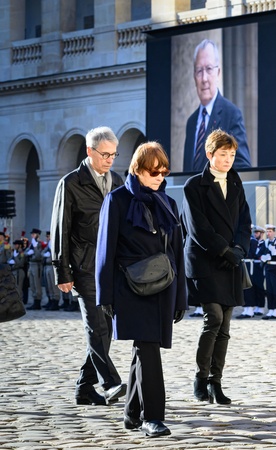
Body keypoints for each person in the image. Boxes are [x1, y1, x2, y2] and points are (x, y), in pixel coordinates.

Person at [96, 141, 187, 437]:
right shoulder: (117, 200)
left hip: (163, 287)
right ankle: (153, 417)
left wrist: (181, 297)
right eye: (153, 171)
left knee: (145, 347)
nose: (159, 177)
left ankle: (131, 413)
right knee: (148, 347)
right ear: (137, 169)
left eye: (163, 172)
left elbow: (176, 252)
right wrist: (104, 295)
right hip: (129, 287)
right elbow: (105, 251)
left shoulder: (168, 203)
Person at [50, 126, 126, 406]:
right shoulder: (71, 183)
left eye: (114, 154)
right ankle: (110, 382)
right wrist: (62, 271)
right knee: (96, 328)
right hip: (83, 267)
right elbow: (60, 229)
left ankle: (84, 387)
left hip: (111, 268)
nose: (110, 159)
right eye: (105, 154)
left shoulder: (118, 181)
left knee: (106, 330)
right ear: (89, 151)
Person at [182, 129, 251, 405]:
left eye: (232, 154)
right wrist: (224, 250)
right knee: (214, 319)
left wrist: (240, 249)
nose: (228, 159)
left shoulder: (235, 181)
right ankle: (200, 378)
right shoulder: (193, 186)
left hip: (231, 261)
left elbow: (244, 220)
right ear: (210, 154)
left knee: (225, 326)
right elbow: (197, 227)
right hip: (206, 261)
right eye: (223, 154)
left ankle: (215, 382)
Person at [183, 39, 251, 172]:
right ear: (194, 77)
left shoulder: (231, 114)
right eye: (199, 71)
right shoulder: (191, 122)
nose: (204, 78)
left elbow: (242, 166)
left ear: (218, 73)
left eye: (209, 69)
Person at [260, 224, 276, 320]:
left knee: (275, 289)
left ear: (274, 232)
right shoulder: (265, 243)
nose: (268, 233)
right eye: (267, 231)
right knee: (269, 289)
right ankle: (270, 309)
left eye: (270, 231)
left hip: (275, 267)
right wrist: (263, 257)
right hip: (268, 266)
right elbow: (259, 253)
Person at [25, 228, 44, 310]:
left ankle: (38, 302)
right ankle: (34, 300)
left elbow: (39, 256)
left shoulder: (39, 244)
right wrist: (29, 252)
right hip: (31, 264)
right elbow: (25, 253)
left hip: (37, 265)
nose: (32, 235)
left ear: (38, 235)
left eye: (34, 234)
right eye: (32, 234)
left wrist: (35, 248)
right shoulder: (31, 244)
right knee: (32, 284)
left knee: (37, 284)